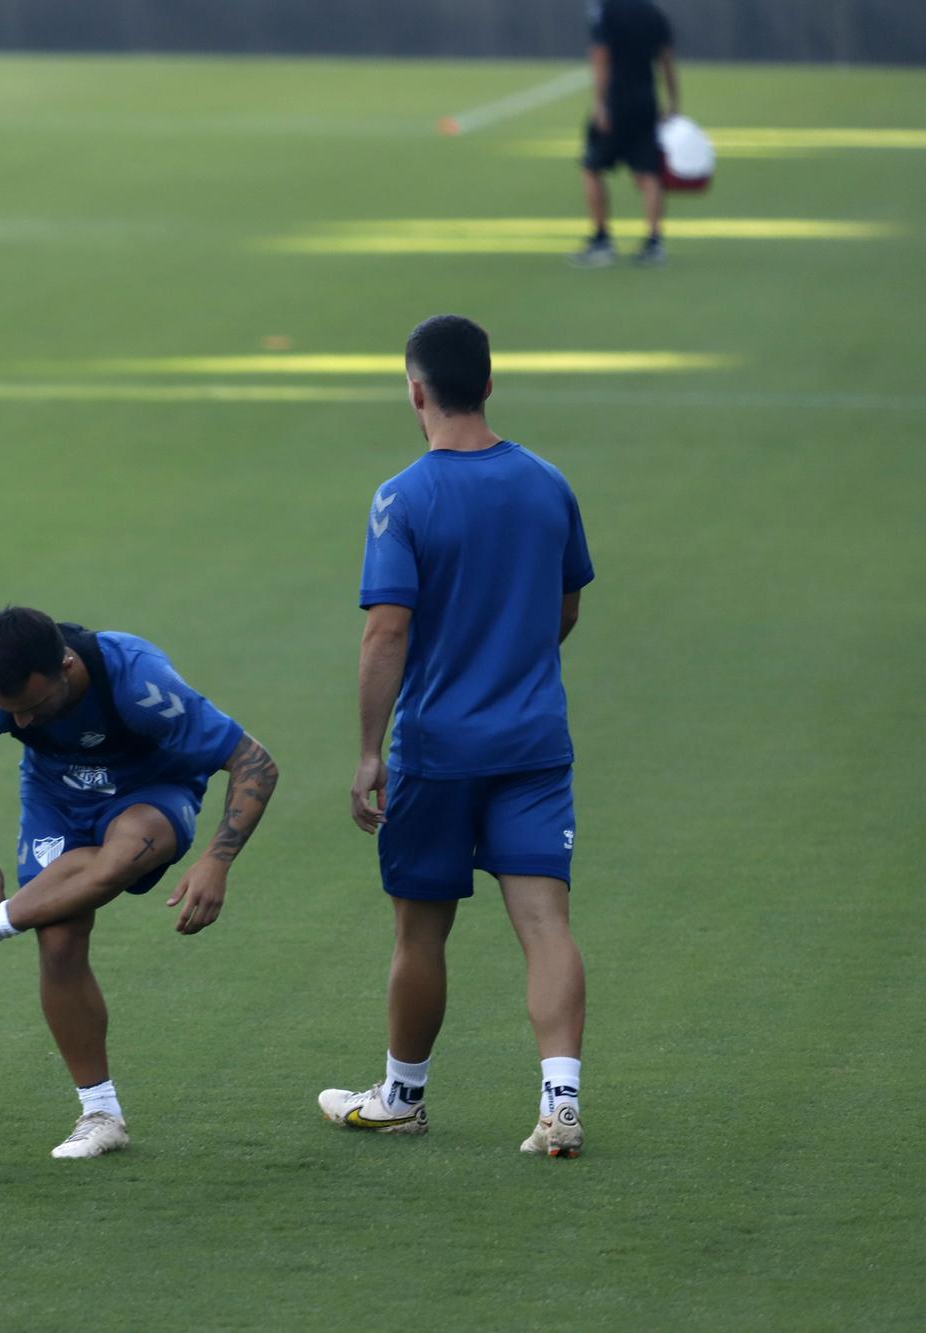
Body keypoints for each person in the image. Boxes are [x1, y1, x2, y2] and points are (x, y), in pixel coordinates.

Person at [320, 315, 593, 1158]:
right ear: (488, 383)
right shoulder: (547, 483)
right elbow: (566, 605)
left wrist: (370, 750)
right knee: (546, 922)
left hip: (437, 751)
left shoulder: (405, 497)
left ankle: (402, 1097)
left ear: (416, 390)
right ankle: (560, 1101)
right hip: (534, 743)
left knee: (420, 931)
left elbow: (386, 633)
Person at [0, 608, 279, 1159]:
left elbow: (255, 763)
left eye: (34, 707)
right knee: (57, 942)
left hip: (151, 790)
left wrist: (215, 862)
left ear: (66, 666)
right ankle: (100, 1114)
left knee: (121, 855)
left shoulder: (138, 681)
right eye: (15, 714)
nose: (25, 724)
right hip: (57, 799)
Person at [571, 0, 679, 267]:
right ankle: (654, 242)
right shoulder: (653, 12)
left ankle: (601, 240)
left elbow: (600, 53)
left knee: (591, 167)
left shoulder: (606, 10)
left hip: (616, 100)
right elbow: (666, 58)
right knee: (648, 171)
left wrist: (599, 103)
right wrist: (674, 99)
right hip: (646, 101)